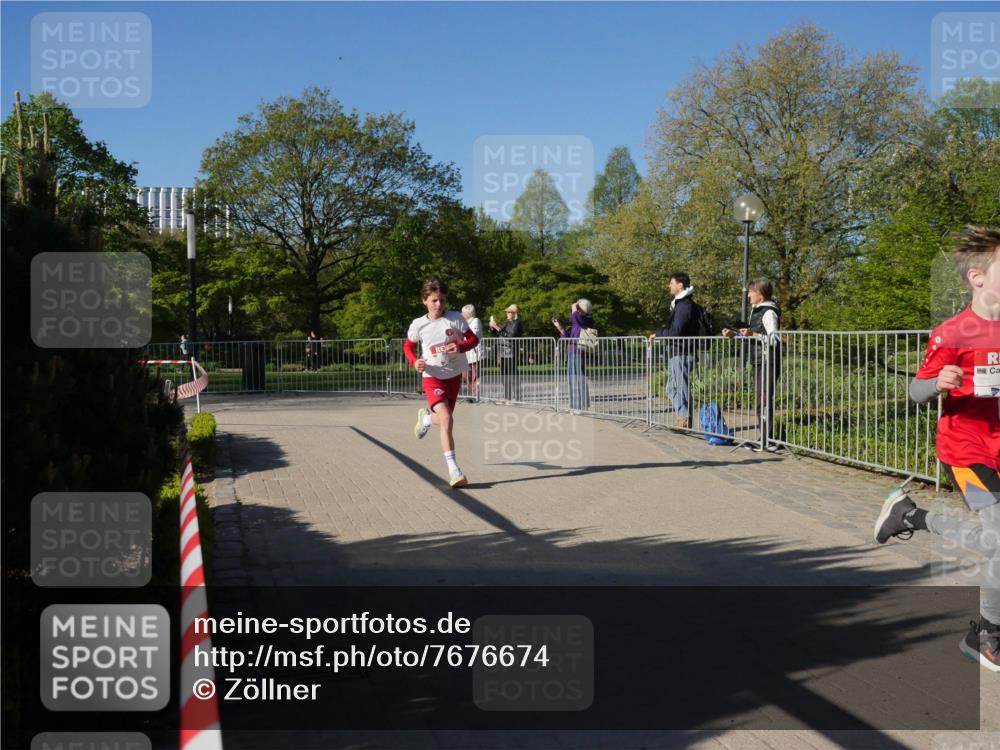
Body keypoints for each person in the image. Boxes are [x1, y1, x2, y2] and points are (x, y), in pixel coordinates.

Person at [874, 225, 1000, 672]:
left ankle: (911, 516)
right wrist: (938, 383)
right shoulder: (953, 332)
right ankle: (986, 635)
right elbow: (916, 390)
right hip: (966, 451)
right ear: (977, 278)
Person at [404, 277, 480, 488]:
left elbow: (474, 339)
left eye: (442, 300)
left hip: (454, 376)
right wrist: (414, 361)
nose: (439, 305)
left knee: (444, 420)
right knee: (446, 419)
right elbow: (408, 347)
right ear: (424, 300)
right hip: (432, 377)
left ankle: (426, 419)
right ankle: (454, 470)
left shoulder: (455, 318)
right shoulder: (419, 324)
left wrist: (461, 347)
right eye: (434, 300)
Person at [722, 278, 781, 446]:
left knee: (764, 400)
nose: (748, 295)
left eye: (751, 292)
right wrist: (734, 335)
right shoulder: (756, 311)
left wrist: (753, 334)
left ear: (760, 294)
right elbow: (753, 336)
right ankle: (764, 438)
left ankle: (768, 440)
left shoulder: (769, 312)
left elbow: (774, 339)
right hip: (758, 360)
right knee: (761, 400)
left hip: (768, 361)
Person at [649, 273, 698, 428]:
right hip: (676, 351)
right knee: (670, 388)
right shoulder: (679, 304)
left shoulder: (684, 306)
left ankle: (685, 419)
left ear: (680, 285)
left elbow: (677, 331)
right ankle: (684, 417)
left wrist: (659, 334)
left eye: (671, 283)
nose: (669, 286)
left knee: (681, 388)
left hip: (682, 351)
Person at [553, 299, 594, 412]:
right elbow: (567, 337)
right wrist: (560, 327)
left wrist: (574, 308)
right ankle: (575, 405)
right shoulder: (577, 322)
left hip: (579, 351)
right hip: (571, 351)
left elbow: (575, 318)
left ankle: (580, 406)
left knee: (579, 378)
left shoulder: (586, 319)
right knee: (572, 378)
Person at [490, 304, 523, 402]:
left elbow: (510, 336)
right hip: (503, 351)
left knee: (512, 374)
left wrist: (497, 327)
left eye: (509, 312)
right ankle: (507, 396)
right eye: (507, 312)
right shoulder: (507, 322)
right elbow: (498, 334)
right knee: (504, 374)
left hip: (511, 352)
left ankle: (517, 396)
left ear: (515, 313)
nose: (507, 313)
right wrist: (492, 328)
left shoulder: (517, 323)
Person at [461, 304, 484, 400]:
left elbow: (474, 335)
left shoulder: (476, 321)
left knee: (475, 376)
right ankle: (471, 393)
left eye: (462, 313)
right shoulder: (464, 323)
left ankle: (475, 394)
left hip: (475, 354)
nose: (461, 314)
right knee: (466, 375)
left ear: (468, 313)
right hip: (466, 354)